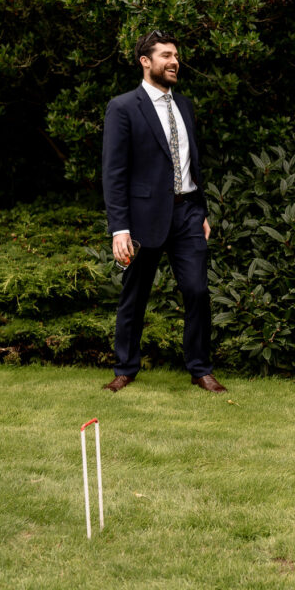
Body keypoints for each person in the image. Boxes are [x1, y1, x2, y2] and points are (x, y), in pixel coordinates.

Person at [101, 30, 226, 394]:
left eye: (176, 56)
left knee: (197, 291)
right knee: (135, 295)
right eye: (166, 55)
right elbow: (114, 172)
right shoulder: (123, 107)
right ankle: (125, 368)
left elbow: (193, 164)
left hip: (187, 213)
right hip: (142, 219)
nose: (174, 61)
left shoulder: (184, 105)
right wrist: (119, 228)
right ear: (145, 61)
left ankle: (200, 369)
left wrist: (200, 210)